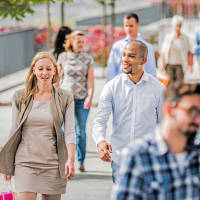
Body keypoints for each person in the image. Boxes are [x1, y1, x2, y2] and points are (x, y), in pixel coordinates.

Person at [0, 52, 76, 200]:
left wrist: (71, 160)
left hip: (53, 164)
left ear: (55, 70)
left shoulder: (66, 97)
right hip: (25, 162)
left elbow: (70, 132)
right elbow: (14, 131)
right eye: (40, 69)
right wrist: (8, 162)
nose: (44, 73)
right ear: (33, 70)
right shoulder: (20, 96)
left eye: (48, 69)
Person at [111, 81, 200, 200]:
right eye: (192, 111)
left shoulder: (196, 155)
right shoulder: (137, 156)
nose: (198, 119)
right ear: (169, 109)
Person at [93, 40, 165, 182]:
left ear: (143, 60)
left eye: (131, 56)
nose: (125, 59)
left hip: (148, 160)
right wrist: (100, 141)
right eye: (124, 55)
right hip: (120, 158)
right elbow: (100, 120)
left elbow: (164, 125)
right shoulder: (112, 87)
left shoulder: (158, 89)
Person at [57, 31, 94, 172]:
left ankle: (80, 160)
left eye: (83, 41)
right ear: (71, 41)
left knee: (80, 132)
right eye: (78, 41)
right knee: (63, 131)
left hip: (81, 100)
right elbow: (58, 79)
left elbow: (90, 81)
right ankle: (66, 160)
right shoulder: (63, 57)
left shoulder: (88, 58)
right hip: (65, 100)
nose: (81, 44)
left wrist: (90, 96)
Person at [106, 13, 157, 82]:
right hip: (121, 87)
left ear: (138, 25)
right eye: (126, 26)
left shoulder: (148, 47)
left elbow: (151, 71)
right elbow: (111, 69)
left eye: (131, 26)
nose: (128, 29)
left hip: (141, 86)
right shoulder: (117, 46)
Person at [160, 15, 194, 82]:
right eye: (177, 26)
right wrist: (163, 64)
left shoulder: (185, 38)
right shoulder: (168, 37)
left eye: (179, 26)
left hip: (180, 65)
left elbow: (189, 52)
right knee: (170, 84)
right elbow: (163, 51)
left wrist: (190, 65)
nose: (178, 28)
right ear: (173, 26)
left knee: (179, 85)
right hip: (169, 65)